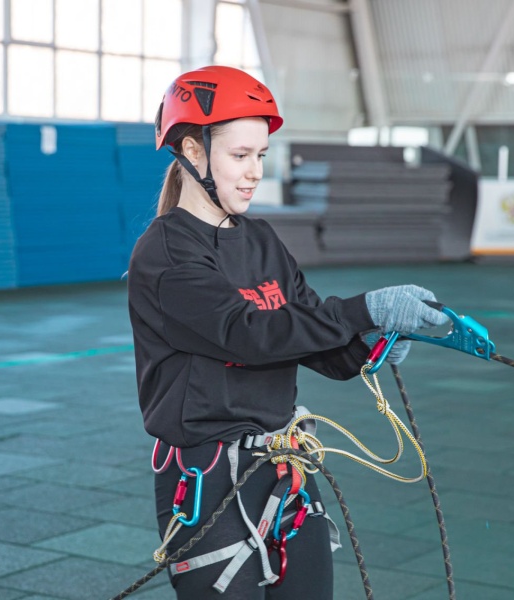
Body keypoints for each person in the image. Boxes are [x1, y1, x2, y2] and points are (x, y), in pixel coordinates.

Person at [126, 65, 446, 599]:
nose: (254, 172)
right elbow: (248, 334)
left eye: (261, 155)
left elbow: (312, 338)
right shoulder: (165, 252)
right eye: (240, 155)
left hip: (282, 465)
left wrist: (370, 344)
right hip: (207, 476)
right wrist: (364, 309)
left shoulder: (262, 240)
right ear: (193, 151)